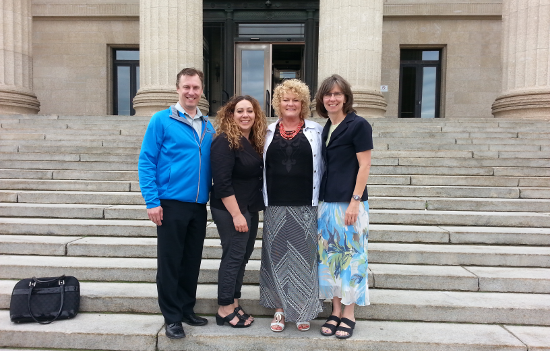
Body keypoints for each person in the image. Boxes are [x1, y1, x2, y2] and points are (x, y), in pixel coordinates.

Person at [138, 67, 214, 339]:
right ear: (178, 89)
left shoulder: (208, 125)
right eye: (186, 87)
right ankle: (171, 317)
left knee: (191, 261)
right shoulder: (162, 119)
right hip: (170, 203)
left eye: (196, 87)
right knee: (170, 262)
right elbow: (147, 161)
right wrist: (152, 201)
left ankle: (186, 308)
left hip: (198, 205)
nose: (191, 92)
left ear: (201, 90)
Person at [259, 79, 324, 332]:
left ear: (303, 104)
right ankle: (279, 309)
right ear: (278, 103)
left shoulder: (316, 131)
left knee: (305, 257)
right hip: (274, 204)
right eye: (286, 99)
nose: (290, 104)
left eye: (296, 100)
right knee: (276, 257)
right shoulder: (266, 131)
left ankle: (304, 309)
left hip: (305, 204)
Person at [315, 74, 373, 339]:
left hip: (350, 204)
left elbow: (365, 165)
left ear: (346, 97)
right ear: (322, 99)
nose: (332, 98)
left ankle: (349, 314)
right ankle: (335, 310)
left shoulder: (358, 125)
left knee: (352, 258)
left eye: (337, 94)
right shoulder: (326, 127)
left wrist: (355, 201)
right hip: (327, 204)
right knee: (330, 260)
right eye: (328, 94)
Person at [210, 95, 267, 328]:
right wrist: (236, 214)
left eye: (250, 111)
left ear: (256, 115)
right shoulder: (224, 140)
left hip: (249, 208)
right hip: (230, 209)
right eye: (240, 111)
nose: (245, 115)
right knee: (233, 256)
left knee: (242, 257)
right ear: (231, 115)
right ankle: (224, 308)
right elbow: (222, 183)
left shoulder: (254, 140)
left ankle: (233, 302)